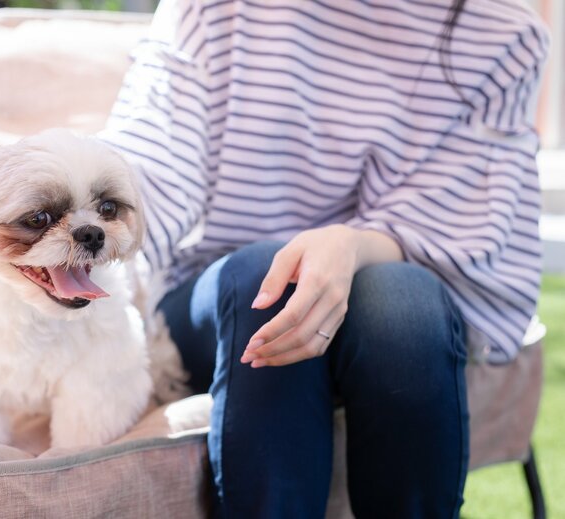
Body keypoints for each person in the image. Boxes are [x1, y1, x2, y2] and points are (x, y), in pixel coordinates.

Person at [99, 0, 549, 517]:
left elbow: (459, 218)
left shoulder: (500, 35)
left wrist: (350, 245)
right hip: (223, 299)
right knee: (266, 281)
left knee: (404, 305)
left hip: (391, 288)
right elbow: (147, 172)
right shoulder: (217, 8)